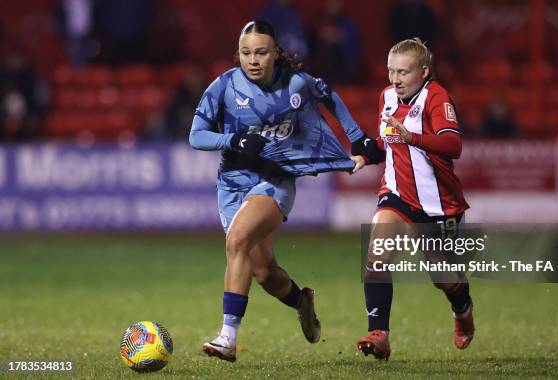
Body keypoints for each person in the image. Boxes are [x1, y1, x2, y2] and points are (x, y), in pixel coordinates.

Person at [189, 20, 370, 362]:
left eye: (260, 52)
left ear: (275, 53)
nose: (253, 60)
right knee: (265, 275)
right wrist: (233, 139)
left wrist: (357, 137)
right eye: (245, 53)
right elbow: (196, 135)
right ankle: (303, 304)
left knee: (237, 240)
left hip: (275, 179)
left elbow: (328, 95)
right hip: (232, 185)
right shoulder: (224, 86)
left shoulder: (295, 83)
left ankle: (227, 337)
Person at [351, 38, 474, 361]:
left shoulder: (437, 97)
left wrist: (412, 137)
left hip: (439, 205)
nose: (395, 79)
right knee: (377, 254)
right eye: (391, 71)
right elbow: (386, 142)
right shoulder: (387, 97)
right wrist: (368, 155)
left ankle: (462, 308)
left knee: (443, 278)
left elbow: (453, 145)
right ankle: (380, 334)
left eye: (403, 72)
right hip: (397, 196)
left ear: (424, 71)